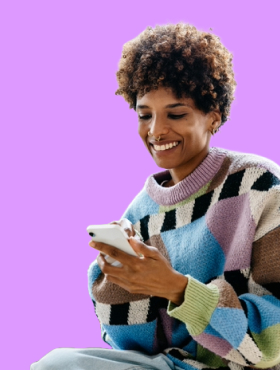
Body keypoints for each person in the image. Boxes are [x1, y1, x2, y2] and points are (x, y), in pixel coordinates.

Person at [31, 22, 280, 370]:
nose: (156, 130)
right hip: (172, 365)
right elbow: (138, 347)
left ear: (213, 118)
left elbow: (273, 341)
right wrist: (118, 282)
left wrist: (178, 289)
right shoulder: (142, 212)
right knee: (54, 363)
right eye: (144, 115)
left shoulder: (257, 186)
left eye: (176, 114)